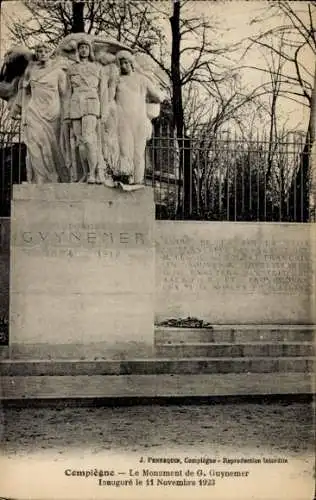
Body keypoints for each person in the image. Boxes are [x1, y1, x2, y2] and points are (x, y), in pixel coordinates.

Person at [12, 44, 68, 183]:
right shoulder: (30, 71)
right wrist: (19, 109)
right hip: (33, 110)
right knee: (34, 144)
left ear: (50, 53)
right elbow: (25, 91)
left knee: (52, 147)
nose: (42, 53)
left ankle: (54, 176)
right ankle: (40, 177)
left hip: (52, 112)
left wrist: (66, 115)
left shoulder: (59, 72)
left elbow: (64, 95)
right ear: (36, 54)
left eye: (45, 51)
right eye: (39, 51)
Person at [109, 50, 163, 186]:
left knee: (138, 153)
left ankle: (138, 181)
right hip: (123, 121)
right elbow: (109, 98)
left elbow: (157, 96)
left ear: (131, 63)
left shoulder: (142, 79)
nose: (124, 66)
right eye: (121, 63)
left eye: (126, 62)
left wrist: (159, 98)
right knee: (125, 151)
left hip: (139, 121)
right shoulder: (117, 80)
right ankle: (127, 179)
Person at [65, 37, 108, 184]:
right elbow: (67, 92)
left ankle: (93, 173)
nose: (83, 50)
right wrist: (66, 114)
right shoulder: (71, 69)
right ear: (78, 50)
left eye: (86, 47)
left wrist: (104, 112)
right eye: (81, 47)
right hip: (76, 103)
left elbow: (103, 92)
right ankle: (85, 173)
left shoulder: (97, 68)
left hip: (91, 103)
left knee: (89, 138)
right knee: (80, 142)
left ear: (90, 51)